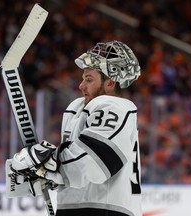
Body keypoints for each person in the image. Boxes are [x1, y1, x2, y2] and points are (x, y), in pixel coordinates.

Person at [10, 40, 142, 216]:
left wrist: (48, 166)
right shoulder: (81, 108)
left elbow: (94, 162)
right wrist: (47, 174)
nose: (81, 86)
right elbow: (75, 169)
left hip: (104, 210)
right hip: (83, 208)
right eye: (83, 79)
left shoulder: (113, 106)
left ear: (110, 83)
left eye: (89, 80)